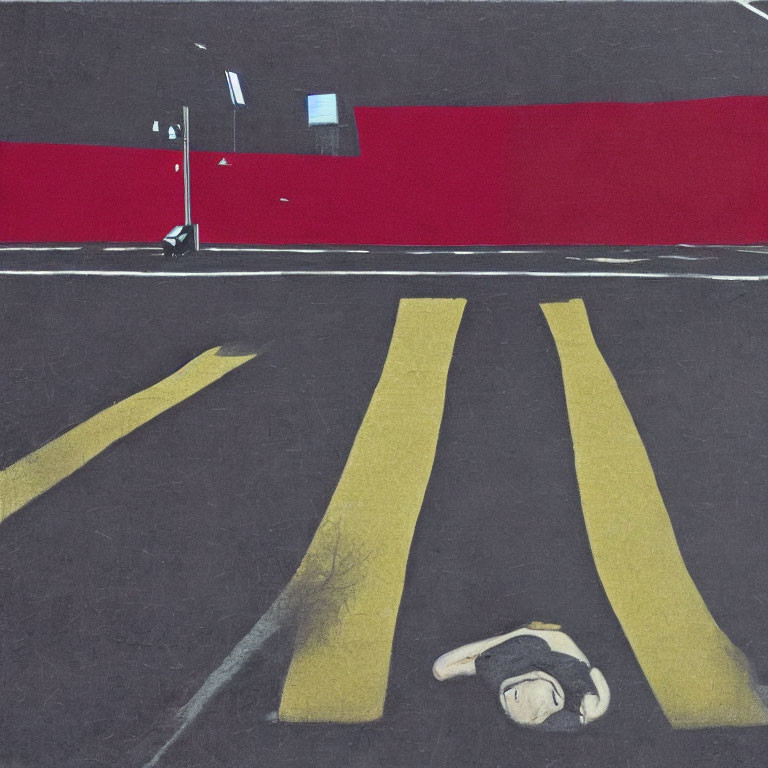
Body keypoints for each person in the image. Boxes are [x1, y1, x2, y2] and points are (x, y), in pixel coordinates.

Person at [433, 622, 610, 731]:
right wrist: (596, 704)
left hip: (529, 652)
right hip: (544, 645)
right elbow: (595, 674)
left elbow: (442, 668)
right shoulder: (571, 673)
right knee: (442, 669)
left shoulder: (495, 671)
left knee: (441, 670)